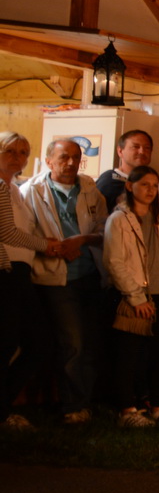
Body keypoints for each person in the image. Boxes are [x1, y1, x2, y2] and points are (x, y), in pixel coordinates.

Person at [20, 137, 109, 425]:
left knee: (93, 342)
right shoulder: (29, 192)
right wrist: (56, 246)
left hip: (90, 274)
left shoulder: (90, 189)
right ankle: (73, 406)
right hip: (57, 277)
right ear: (48, 161)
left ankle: (89, 400)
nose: (70, 163)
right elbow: (24, 234)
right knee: (72, 343)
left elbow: (105, 228)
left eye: (75, 157)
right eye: (63, 158)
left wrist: (81, 240)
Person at [103, 166, 159, 428]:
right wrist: (135, 297)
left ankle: (158, 405)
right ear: (130, 186)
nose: (150, 190)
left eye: (153, 185)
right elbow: (115, 261)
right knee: (129, 353)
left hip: (158, 292)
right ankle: (127, 409)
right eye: (144, 184)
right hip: (133, 294)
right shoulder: (119, 220)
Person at [2, 132, 60, 429]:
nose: (18, 157)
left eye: (23, 152)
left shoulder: (16, 189)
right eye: (10, 150)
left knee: (35, 342)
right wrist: (45, 245)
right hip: (5, 270)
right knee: (10, 342)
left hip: (20, 271)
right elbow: (7, 233)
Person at [96, 129, 152, 209]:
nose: (142, 152)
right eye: (135, 147)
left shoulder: (153, 184)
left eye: (147, 148)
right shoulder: (108, 182)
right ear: (120, 151)